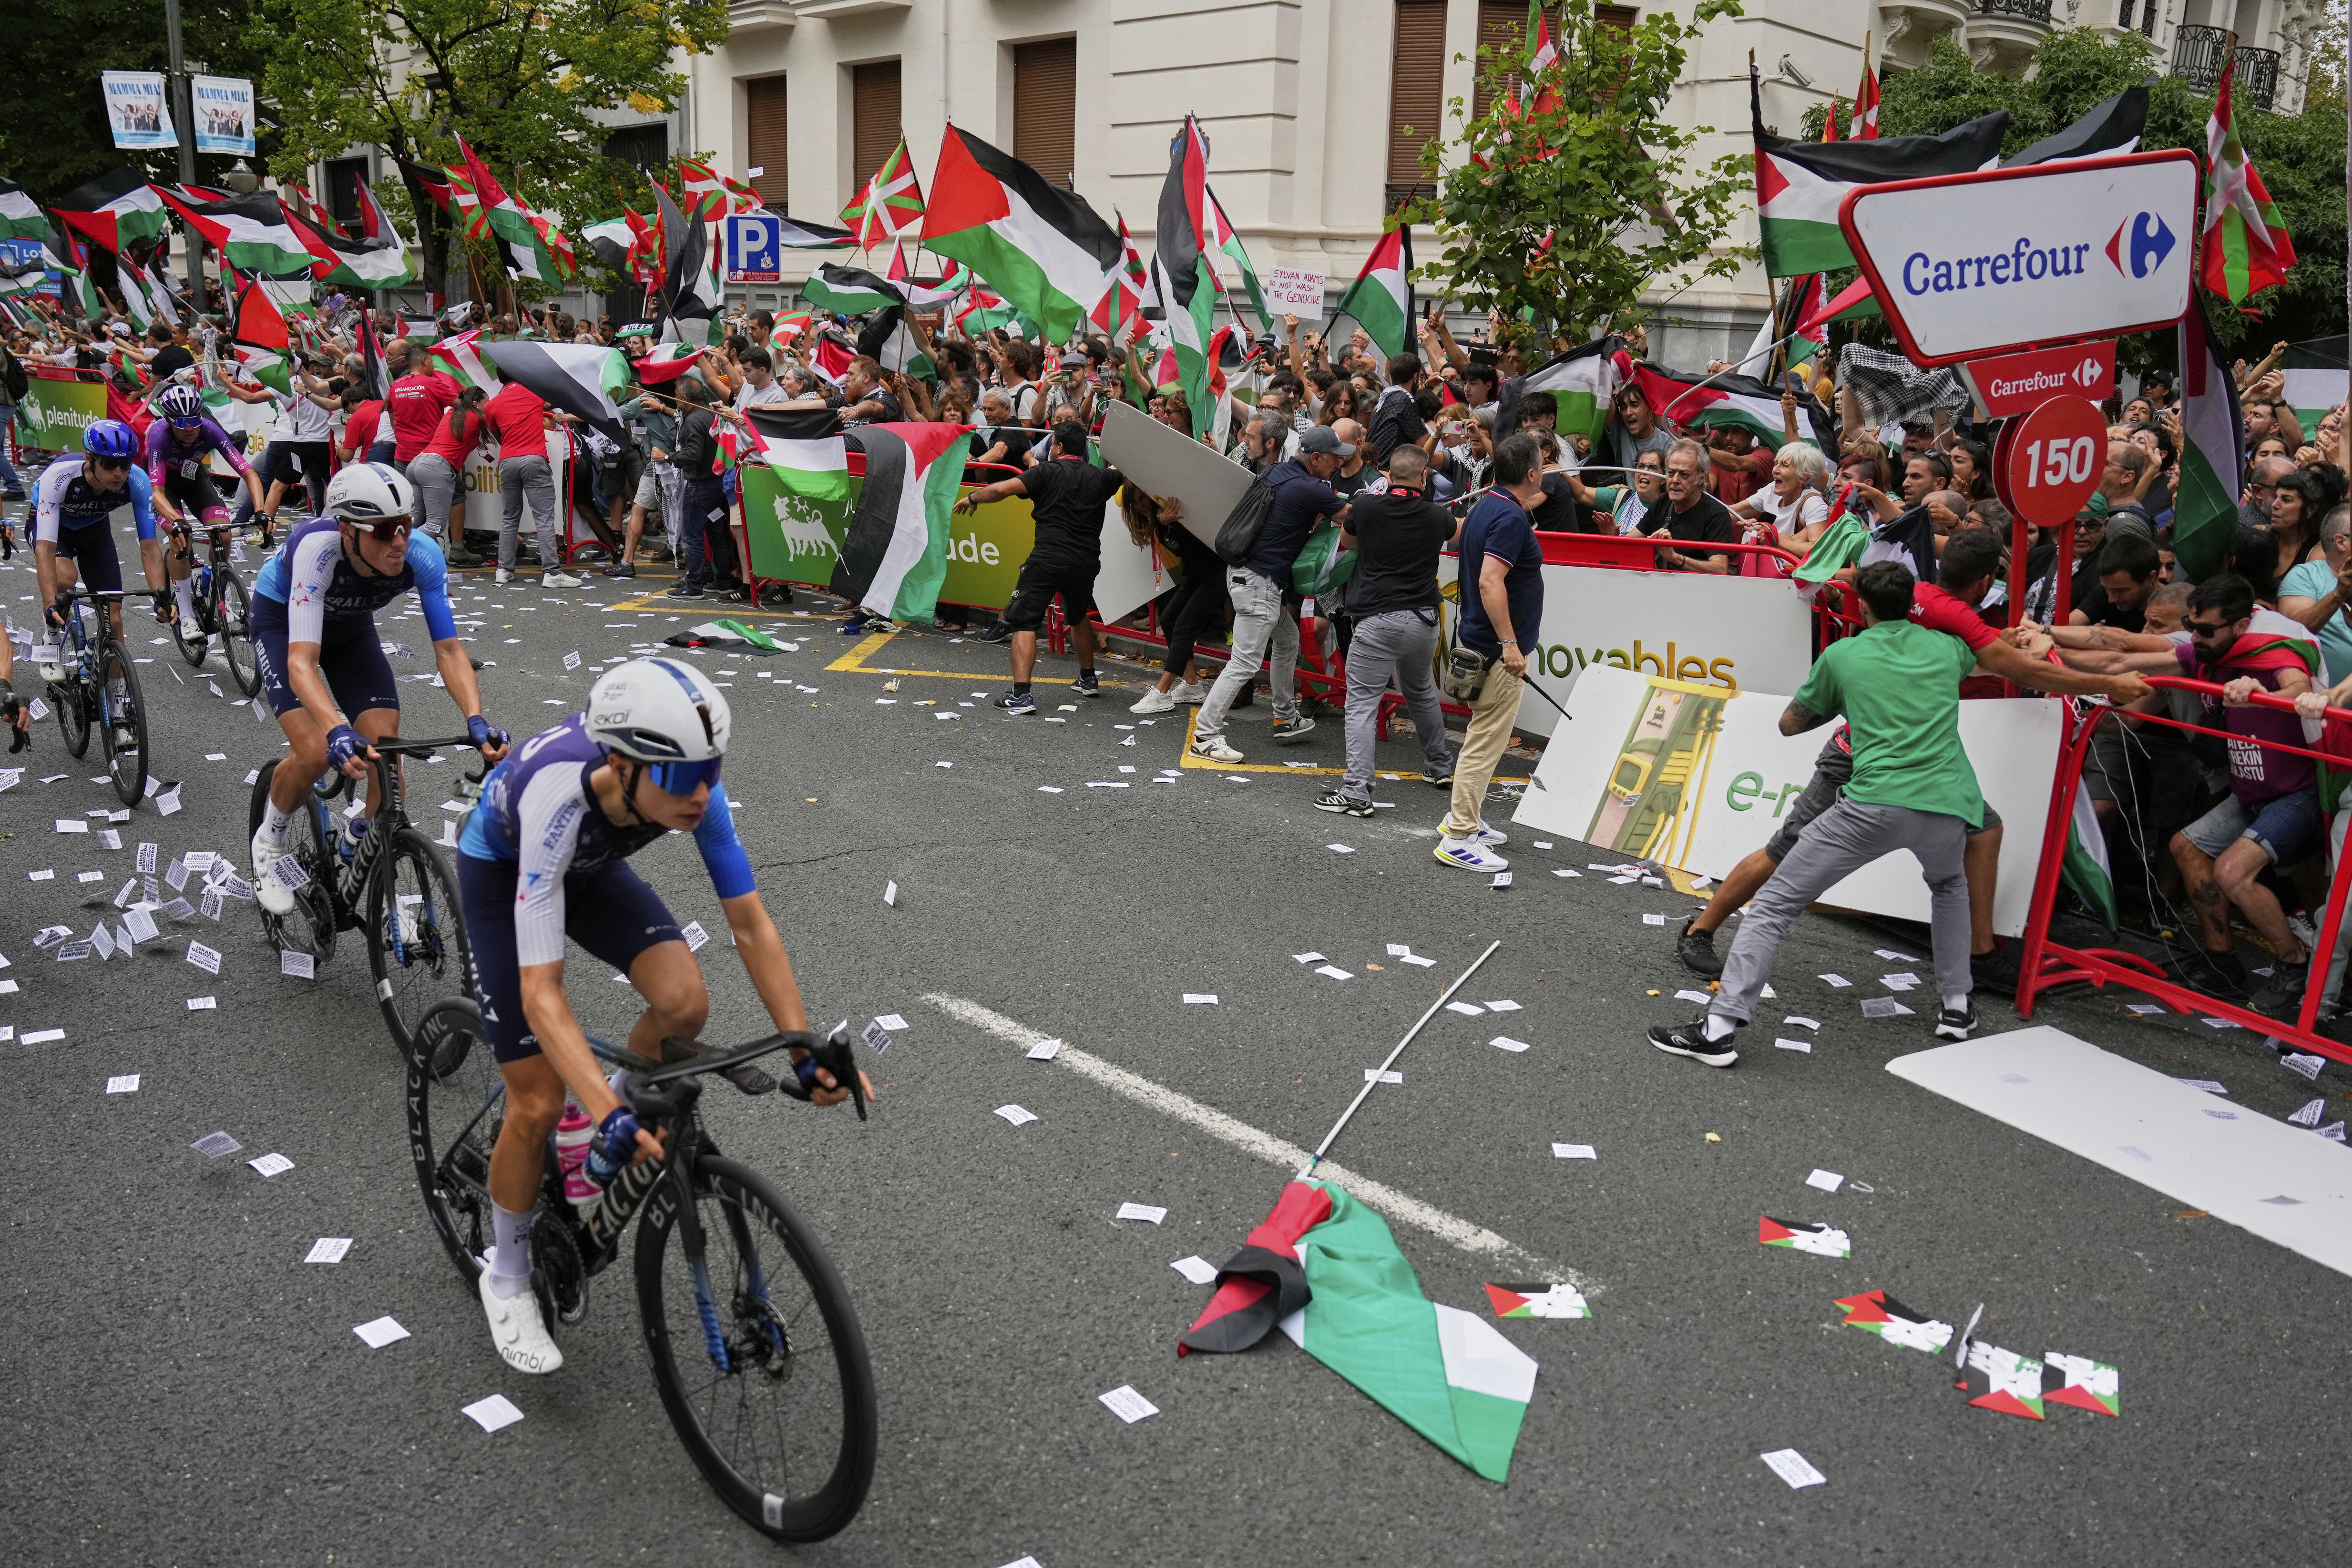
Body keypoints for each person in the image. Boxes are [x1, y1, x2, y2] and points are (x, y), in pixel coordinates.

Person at [452, 658, 872, 1373]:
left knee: (684, 1002)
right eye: (683, 778)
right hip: (507, 870)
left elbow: (750, 925)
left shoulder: (688, 789)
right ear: (620, 764)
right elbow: (542, 994)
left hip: (591, 866)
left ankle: (590, 1134)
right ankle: (509, 1275)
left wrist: (803, 1048)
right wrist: (600, 1110)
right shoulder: (559, 795)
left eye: (712, 770)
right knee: (538, 1098)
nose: (701, 793)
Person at [1675, 529, 2151, 992]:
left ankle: (1980, 955)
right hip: (1859, 758)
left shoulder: (1912, 612)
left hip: (1918, 765)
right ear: (1987, 581)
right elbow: (2017, 667)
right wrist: (2109, 684)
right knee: (1781, 854)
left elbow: (1790, 724)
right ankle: (1699, 928)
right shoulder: (1942, 636)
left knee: (1984, 828)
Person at [1650, 562, 1992, 1069]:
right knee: (1947, 887)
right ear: (1912, 604)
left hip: (1874, 800)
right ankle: (1957, 1008)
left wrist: (1844, 696)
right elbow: (1988, 662)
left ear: (1862, 607)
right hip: (1946, 803)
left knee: (1773, 905)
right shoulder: (1946, 649)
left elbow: (1790, 723)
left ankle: (1718, 1029)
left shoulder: (1843, 653)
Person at [246, 464, 507, 913]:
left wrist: (476, 720)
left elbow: (448, 651)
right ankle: (269, 840)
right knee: (312, 750)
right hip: (284, 625)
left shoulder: (423, 555)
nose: (400, 541)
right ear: (348, 531)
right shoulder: (318, 550)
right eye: (385, 531)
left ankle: (368, 853)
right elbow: (302, 663)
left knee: (386, 755)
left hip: (350, 630)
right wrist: (335, 729)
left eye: (405, 524)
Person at [2066, 575, 2321, 1009]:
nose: (2196, 638)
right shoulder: (2202, 653)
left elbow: (2299, 686)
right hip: (2251, 793)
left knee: (2233, 873)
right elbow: (2117, 659)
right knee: (2186, 847)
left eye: (2206, 631)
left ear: (2240, 627)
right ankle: (2223, 963)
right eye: (2192, 625)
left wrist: (2262, 691)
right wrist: (2045, 652)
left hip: (2296, 792)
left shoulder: (2273, 653)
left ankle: (2295, 964)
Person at [1186, 424, 1355, 761]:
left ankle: (1285, 717)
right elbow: (1351, 518)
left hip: (1249, 577)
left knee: (1288, 641)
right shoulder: (1310, 488)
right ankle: (1205, 734)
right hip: (1260, 584)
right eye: (1335, 459)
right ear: (1317, 458)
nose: (1339, 465)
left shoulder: (1277, 471)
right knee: (1245, 663)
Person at [1317, 445, 1457, 816]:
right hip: (1424, 620)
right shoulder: (1437, 516)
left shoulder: (1366, 507)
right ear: (1424, 478)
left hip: (1377, 620)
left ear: (1389, 477)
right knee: (1422, 692)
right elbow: (1459, 536)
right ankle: (1440, 767)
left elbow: (1347, 543)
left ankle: (1357, 792)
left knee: (1361, 703)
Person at [958, 420, 1126, 712]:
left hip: (1048, 558)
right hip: (1086, 561)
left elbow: (1002, 490)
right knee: (1076, 615)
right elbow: (1133, 473)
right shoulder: (1102, 478)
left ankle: (1021, 695)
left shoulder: (1045, 472)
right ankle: (1088, 680)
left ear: (1059, 447)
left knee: (1023, 620)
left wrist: (973, 497)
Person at [1434, 432, 1545, 873]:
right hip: (1496, 650)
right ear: (1533, 473)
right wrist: (1511, 645)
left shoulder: (1487, 506)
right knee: (1485, 742)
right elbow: (1489, 580)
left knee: (1483, 737)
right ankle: (1460, 835)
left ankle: (1468, 821)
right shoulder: (1511, 517)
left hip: (1482, 641)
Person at [29, 420, 170, 703]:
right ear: (90, 459)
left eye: (126, 464)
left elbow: (150, 547)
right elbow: (45, 549)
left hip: (95, 532)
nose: (119, 473)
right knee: (66, 578)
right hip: (53, 531)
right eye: (109, 464)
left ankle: (118, 706)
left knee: (114, 619)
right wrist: (48, 605)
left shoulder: (137, 482)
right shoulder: (59, 476)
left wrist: (161, 597)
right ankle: (52, 636)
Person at [143, 383, 266, 634]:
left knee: (223, 533)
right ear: (168, 420)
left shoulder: (210, 430)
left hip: (195, 480)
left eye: (194, 421)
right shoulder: (158, 435)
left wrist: (260, 512)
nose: (189, 429)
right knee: (181, 538)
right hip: (164, 488)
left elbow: (249, 473)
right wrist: (176, 522)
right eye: (181, 422)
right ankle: (187, 616)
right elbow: (156, 493)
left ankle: (216, 580)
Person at [1124, 489, 1224, 715]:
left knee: (1183, 627)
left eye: (1143, 498)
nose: (1141, 505)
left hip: (1216, 574)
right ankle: (1192, 685)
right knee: (1169, 620)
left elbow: (1189, 546)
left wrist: (1167, 526)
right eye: (1135, 502)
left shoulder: (1171, 513)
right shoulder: (1160, 520)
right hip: (1196, 574)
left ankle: (1162, 691)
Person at [484, 379, 583, 589]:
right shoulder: (534, 392)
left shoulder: (492, 404)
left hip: (507, 461)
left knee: (510, 517)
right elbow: (557, 399)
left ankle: (503, 570)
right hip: (534, 458)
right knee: (544, 518)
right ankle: (553, 573)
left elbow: (495, 431)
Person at [409, 386, 490, 563]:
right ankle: (395, 549)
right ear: (476, 404)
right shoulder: (478, 417)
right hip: (437, 468)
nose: (489, 408)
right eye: (487, 404)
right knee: (434, 525)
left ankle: (393, 546)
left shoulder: (452, 413)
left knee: (413, 521)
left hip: (419, 462)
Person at [1641, 438, 1740, 573]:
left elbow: (1720, 569)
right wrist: (1611, 534)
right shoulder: (1662, 502)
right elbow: (1631, 541)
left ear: (1702, 478)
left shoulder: (1716, 514)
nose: (1675, 480)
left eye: (1684, 475)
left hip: (1697, 590)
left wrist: (1675, 558)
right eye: (1671, 473)